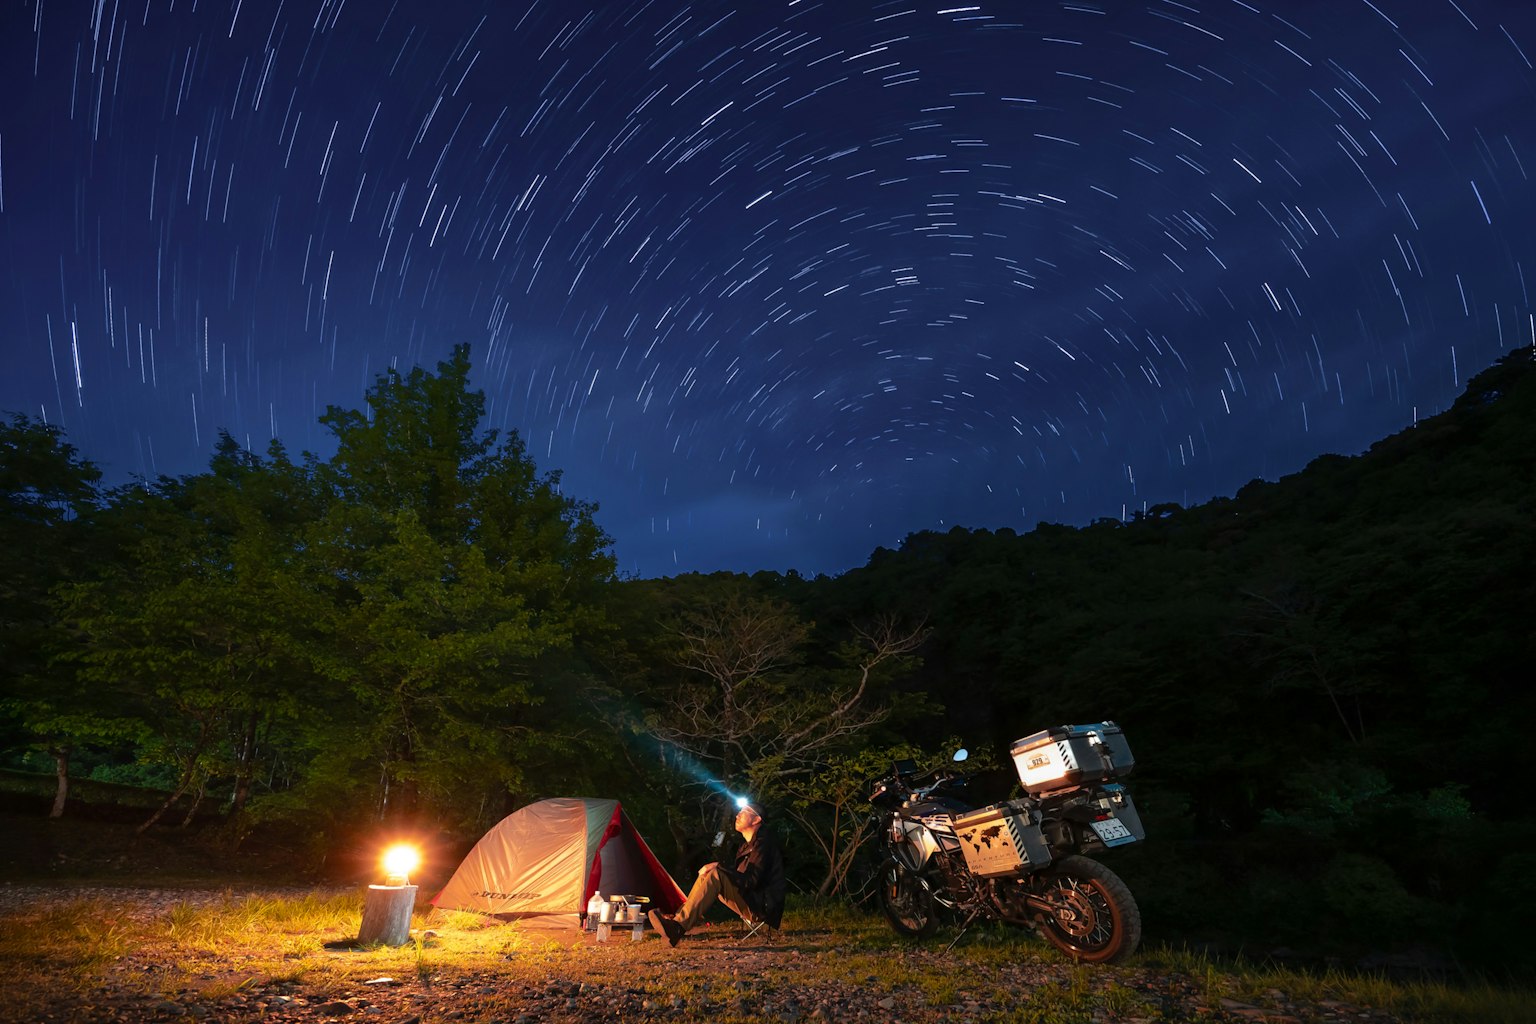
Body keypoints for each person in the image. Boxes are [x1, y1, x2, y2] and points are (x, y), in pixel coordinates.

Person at [648, 802, 784, 947]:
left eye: (744, 812)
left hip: (761, 907)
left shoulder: (763, 845)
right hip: (750, 899)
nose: (738, 815)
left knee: (715, 874)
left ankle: (677, 927)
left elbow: (751, 881)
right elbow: (739, 876)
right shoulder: (746, 846)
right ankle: (677, 922)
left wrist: (718, 866)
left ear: (756, 820)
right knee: (707, 875)